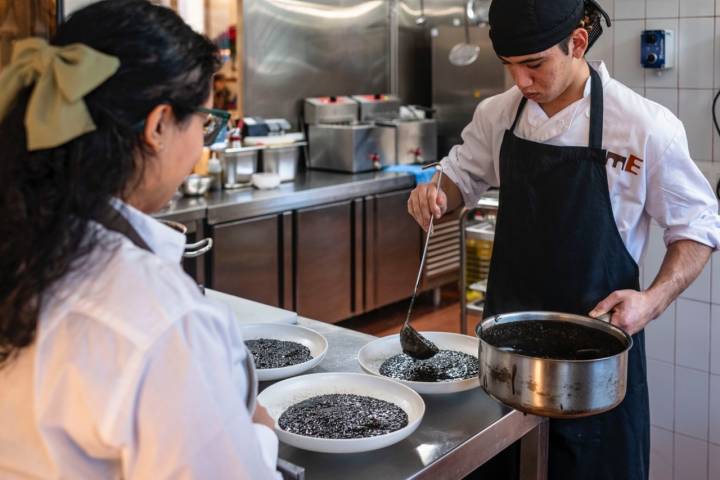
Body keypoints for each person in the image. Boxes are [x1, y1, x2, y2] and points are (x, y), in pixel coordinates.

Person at [407, 1, 720, 479]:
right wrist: (434, 193)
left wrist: (652, 301)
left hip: (594, 372)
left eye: (534, 65)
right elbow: (459, 178)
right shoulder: (499, 115)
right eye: (509, 66)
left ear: (577, 42)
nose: (521, 83)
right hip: (505, 364)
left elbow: (697, 226)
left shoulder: (644, 126)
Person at [0, 1, 280, 478]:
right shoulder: (164, 321)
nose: (200, 145)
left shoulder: (23, 244)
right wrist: (259, 431)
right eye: (204, 124)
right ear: (158, 126)